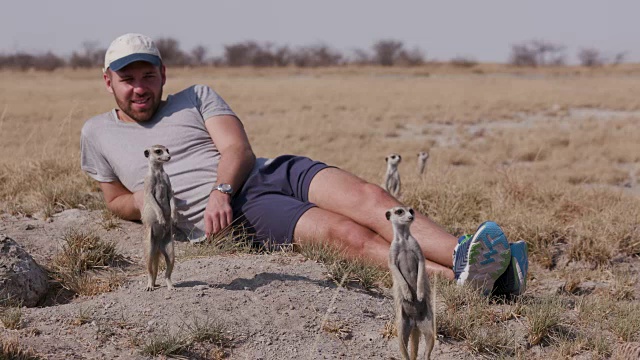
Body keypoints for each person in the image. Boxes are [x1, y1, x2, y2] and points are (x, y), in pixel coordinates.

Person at [80, 33, 528, 296]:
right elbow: (115, 198)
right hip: (242, 215)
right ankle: (469, 280)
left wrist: (221, 189)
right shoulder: (96, 133)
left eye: (148, 77)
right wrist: (139, 203)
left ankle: (464, 254)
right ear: (108, 82)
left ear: (163, 75)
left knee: (371, 199)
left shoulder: (195, 96)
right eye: (128, 80)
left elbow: (237, 149)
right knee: (345, 234)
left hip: (263, 175)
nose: (139, 88)